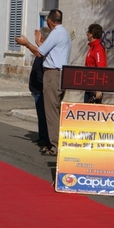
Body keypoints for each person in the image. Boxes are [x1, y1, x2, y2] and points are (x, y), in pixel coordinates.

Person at [15, 9, 72, 155]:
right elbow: (45, 49)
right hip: (60, 73)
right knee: (55, 110)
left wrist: (27, 44)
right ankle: (54, 142)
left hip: (53, 74)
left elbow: (39, 52)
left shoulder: (56, 33)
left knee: (51, 111)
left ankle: (55, 146)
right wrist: (37, 43)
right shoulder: (64, 33)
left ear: (50, 21)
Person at [29, 27, 51, 151]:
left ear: (42, 38)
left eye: (38, 36)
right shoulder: (41, 51)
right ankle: (42, 136)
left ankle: (46, 139)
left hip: (41, 89)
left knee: (44, 116)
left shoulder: (44, 52)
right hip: (36, 89)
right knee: (40, 115)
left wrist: (28, 44)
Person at [84, 23, 107, 103]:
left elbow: (101, 68)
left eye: (88, 32)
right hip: (89, 84)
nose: (87, 34)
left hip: (94, 85)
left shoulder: (98, 48)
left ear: (92, 34)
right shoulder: (92, 47)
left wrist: (98, 88)